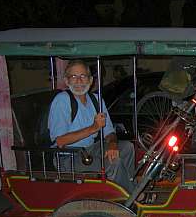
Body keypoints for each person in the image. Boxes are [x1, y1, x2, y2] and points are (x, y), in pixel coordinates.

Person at [48, 60, 136, 194]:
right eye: (73, 77)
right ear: (67, 81)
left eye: (83, 76)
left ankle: (128, 187)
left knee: (127, 148)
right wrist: (93, 128)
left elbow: (109, 132)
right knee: (114, 163)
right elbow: (59, 141)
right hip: (68, 156)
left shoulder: (96, 99)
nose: (78, 81)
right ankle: (130, 197)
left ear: (90, 80)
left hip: (88, 150)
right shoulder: (62, 100)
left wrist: (112, 144)